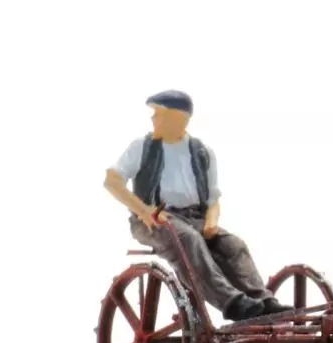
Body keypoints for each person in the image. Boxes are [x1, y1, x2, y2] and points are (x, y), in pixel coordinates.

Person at [103, 90, 294, 321]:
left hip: (196, 218)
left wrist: (211, 222)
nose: (153, 118)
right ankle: (232, 303)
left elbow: (213, 199)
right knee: (189, 240)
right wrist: (144, 210)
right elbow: (112, 181)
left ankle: (262, 302)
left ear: (179, 118)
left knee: (234, 245)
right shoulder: (142, 147)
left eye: (158, 113)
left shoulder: (202, 152)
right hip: (154, 219)